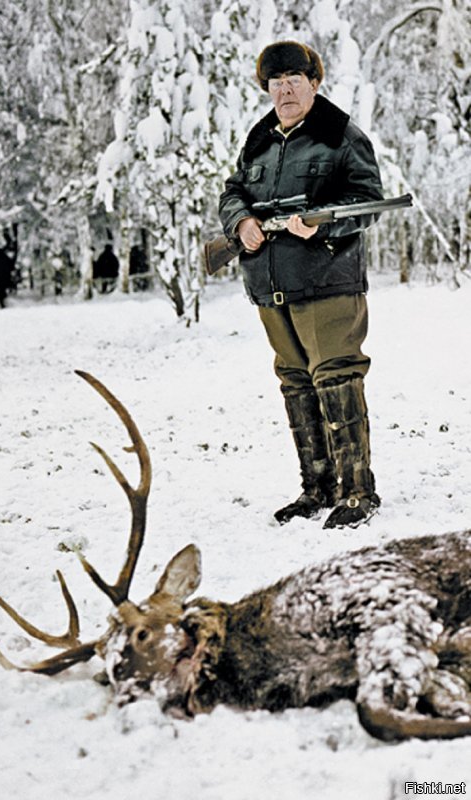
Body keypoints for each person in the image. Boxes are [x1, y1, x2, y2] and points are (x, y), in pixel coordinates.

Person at [219, 41, 384, 529]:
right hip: (272, 284)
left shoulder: (341, 135)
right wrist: (241, 223)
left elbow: (367, 202)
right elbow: (233, 191)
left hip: (328, 281)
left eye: (294, 78)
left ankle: (356, 492)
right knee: (295, 382)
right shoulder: (260, 140)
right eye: (276, 81)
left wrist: (322, 226)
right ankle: (316, 488)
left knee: (336, 375)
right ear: (267, 88)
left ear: (314, 82)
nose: (285, 88)